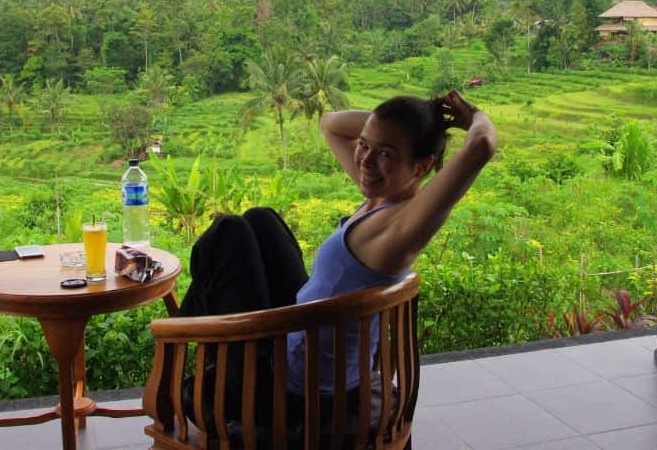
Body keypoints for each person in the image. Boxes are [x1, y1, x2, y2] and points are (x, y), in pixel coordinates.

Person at [178, 89, 497, 428]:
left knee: (228, 231)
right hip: (300, 344)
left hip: (288, 393)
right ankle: (192, 323)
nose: (366, 161)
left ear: (422, 166)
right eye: (364, 146)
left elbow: (481, 146)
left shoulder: (402, 228)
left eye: (386, 153)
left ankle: (181, 334)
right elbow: (331, 125)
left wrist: (473, 115)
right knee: (261, 219)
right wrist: (415, 122)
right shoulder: (382, 195)